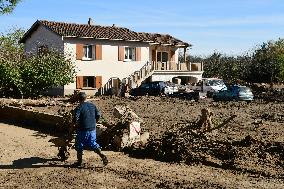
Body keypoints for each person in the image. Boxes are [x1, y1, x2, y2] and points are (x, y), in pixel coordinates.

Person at [72, 92, 108, 167]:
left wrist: (75, 124)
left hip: (83, 130)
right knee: (93, 144)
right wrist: (95, 122)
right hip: (92, 129)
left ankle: (79, 162)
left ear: (79, 99)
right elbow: (98, 115)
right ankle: (102, 155)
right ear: (86, 98)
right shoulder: (93, 105)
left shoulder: (79, 107)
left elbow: (75, 118)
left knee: (79, 145)